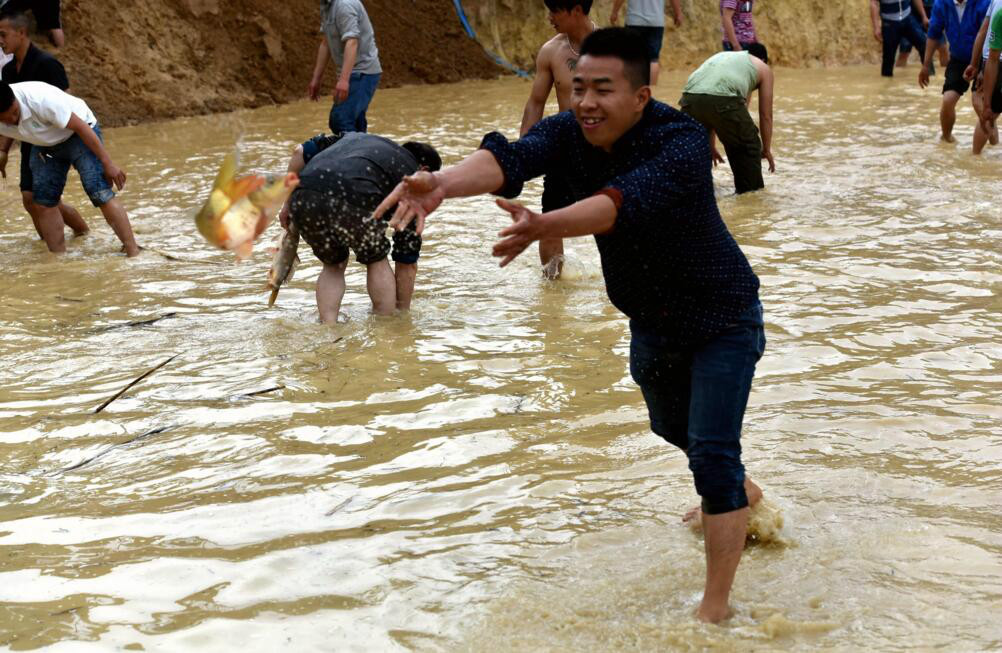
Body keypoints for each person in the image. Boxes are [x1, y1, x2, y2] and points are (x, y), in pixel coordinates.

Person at [374, 27, 766, 624]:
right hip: (652, 320)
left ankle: (716, 606)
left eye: (602, 90)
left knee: (712, 455)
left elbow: (618, 203)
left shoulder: (681, 140)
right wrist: (442, 185)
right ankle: (737, 489)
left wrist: (544, 222)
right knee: (671, 428)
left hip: (722, 317)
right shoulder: (570, 132)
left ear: (640, 95)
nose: (585, 102)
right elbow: (509, 158)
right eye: (578, 86)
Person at [283, 132, 441, 324]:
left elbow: (299, 152)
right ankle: (386, 327)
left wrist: (286, 204)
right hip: (355, 195)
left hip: (303, 195)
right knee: (376, 260)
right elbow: (406, 262)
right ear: (424, 170)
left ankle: (328, 327)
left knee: (333, 265)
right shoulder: (410, 174)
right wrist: (403, 313)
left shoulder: (354, 137)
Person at [0, 81, 139, 256]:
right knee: (43, 201)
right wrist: (3, 151)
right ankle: (58, 259)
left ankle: (132, 250)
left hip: (78, 134)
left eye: (14, 113)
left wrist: (108, 163)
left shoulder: (41, 100)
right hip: (43, 143)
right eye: (5, 120)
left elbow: (80, 126)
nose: (12, 121)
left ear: (15, 98)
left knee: (99, 191)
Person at [520, 0, 596, 278]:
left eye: (555, 11)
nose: (549, 17)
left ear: (576, 10)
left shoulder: (611, 48)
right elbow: (535, 103)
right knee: (550, 221)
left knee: (617, 218)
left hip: (605, 147)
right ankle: (552, 289)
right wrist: (523, 152)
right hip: (565, 148)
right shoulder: (551, 51)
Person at [0, 10, 88, 240]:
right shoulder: (8, 71)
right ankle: (52, 242)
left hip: (55, 137)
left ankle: (80, 233)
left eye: (3, 34)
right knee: (30, 199)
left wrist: (66, 149)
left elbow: (66, 107)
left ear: (21, 33)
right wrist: (3, 150)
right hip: (29, 137)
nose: (0, 41)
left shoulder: (47, 64)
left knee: (43, 200)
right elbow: (6, 115)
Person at [679, 44, 775, 195]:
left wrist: (709, 146)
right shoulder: (763, 68)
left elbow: (707, 99)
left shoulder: (727, 58)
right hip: (722, 99)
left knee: (692, 153)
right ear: (763, 59)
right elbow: (766, 115)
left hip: (689, 98)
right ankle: (750, 202)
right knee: (748, 147)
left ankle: (691, 193)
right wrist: (766, 149)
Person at [918, 0, 991, 143]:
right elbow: (933, 34)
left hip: (985, 59)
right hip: (958, 59)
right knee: (948, 100)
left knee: (979, 104)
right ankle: (947, 140)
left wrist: (984, 68)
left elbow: (989, 37)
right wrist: (925, 65)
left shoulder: (984, 3)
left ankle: (994, 143)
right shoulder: (941, 3)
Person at [307, 0, 381, 134]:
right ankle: (362, 151)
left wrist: (344, 80)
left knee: (341, 120)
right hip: (353, 73)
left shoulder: (344, 5)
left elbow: (352, 41)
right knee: (355, 123)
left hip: (363, 72)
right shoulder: (326, 5)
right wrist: (316, 78)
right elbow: (326, 42)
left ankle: (354, 153)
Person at [609, 0, 683, 86]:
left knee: (632, 57)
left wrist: (614, 12)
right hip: (656, 22)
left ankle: (633, 88)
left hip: (634, 21)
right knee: (653, 59)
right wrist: (678, 13)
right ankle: (651, 91)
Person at [966, 0, 1002, 152]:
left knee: (989, 113)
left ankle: (977, 157)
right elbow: (992, 57)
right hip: (994, 61)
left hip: (992, 61)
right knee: (988, 113)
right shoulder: (999, 11)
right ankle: (977, 159)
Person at [871, 0, 929, 76]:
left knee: (924, 44)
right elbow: (874, 3)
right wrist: (876, 27)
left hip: (908, 18)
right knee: (888, 59)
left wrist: (924, 16)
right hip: (889, 24)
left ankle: (930, 75)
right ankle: (887, 83)